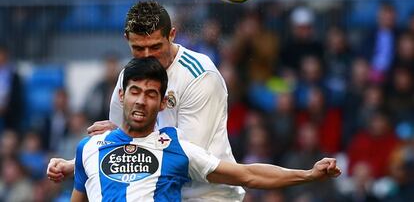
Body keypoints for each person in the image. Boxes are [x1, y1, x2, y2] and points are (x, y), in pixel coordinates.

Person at [47, 0, 245, 200]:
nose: (148, 56)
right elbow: (121, 145)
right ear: (127, 39)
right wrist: (79, 161)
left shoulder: (200, 76)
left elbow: (182, 159)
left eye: (155, 46)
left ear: (172, 35)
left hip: (207, 195)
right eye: (139, 48)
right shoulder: (129, 76)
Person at [70, 57, 341, 202]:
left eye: (151, 94)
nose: (142, 100)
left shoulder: (176, 149)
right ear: (121, 96)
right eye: (135, 92)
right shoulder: (89, 148)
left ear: (163, 102)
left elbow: (247, 174)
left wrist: (308, 174)